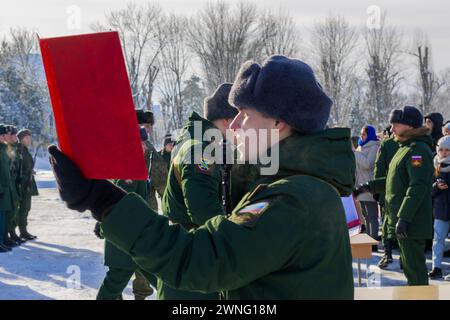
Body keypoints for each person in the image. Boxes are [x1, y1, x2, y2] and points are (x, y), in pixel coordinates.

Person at [48, 55, 355, 299]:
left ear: (278, 123)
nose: (233, 126)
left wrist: (102, 200)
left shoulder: (290, 199)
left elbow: (203, 260)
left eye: (245, 115)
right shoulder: (297, 185)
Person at [158, 83, 237, 300]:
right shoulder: (201, 149)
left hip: (182, 254)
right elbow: (202, 209)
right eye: (239, 122)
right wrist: (232, 242)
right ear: (227, 121)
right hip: (193, 259)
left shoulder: (193, 140)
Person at [357, 106, 433, 285]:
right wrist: (367, 187)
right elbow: (395, 180)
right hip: (402, 219)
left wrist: (404, 218)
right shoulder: (404, 147)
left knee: (415, 270)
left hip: (412, 222)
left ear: (410, 126)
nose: (391, 129)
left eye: (395, 125)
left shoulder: (418, 150)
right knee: (408, 268)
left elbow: (417, 186)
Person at [96, 128, 156, 300]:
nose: (145, 147)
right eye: (141, 143)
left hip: (133, 237)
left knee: (151, 274)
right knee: (116, 279)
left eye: (145, 143)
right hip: (126, 237)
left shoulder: (132, 164)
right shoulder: (129, 167)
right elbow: (123, 203)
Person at [373, 127, 400, 269]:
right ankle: (403, 257)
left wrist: (377, 190)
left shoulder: (387, 144)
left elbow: (379, 168)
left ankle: (387, 254)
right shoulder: (414, 145)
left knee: (387, 224)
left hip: (387, 191)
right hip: (405, 193)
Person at [135, 109, 168, 212]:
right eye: (147, 126)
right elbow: (160, 178)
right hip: (146, 206)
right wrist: (168, 200)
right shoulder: (146, 147)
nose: (149, 130)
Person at [354, 125, 380, 246]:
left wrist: (355, 153)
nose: (361, 136)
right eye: (361, 134)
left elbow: (368, 164)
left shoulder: (374, 146)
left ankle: (373, 241)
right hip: (360, 186)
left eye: (364, 134)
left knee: (372, 216)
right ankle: (368, 240)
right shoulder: (360, 146)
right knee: (365, 216)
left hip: (369, 186)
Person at [428, 136, 450, 279]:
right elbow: (427, 190)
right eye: (441, 149)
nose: (444, 153)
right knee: (438, 240)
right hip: (441, 210)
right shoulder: (434, 165)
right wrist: (436, 186)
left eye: (448, 150)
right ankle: (436, 267)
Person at [16, 129, 39, 240]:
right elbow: (17, 169)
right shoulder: (19, 151)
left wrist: (31, 171)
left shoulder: (25, 150)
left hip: (27, 183)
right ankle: (20, 231)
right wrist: (27, 173)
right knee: (22, 208)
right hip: (22, 184)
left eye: (29, 137)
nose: (29, 140)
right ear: (20, 139)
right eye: (26, 138)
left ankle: (23, 231)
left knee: (26, 207)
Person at [4, 125, 22, 247]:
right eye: (12, 134)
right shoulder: (6, 148)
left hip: (13, 183)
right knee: (7, 211)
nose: (14, 137)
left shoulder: (15, 147)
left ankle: (11, 232)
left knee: (14, 209)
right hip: (7, 184)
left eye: (14, 134)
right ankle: (6, 235)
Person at [0, 124, 13, 252]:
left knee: (3, 215)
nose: (5, 137)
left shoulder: (3, 149)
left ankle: (2, 240)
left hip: (5, 188)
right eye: (3, 135)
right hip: (1, 189)